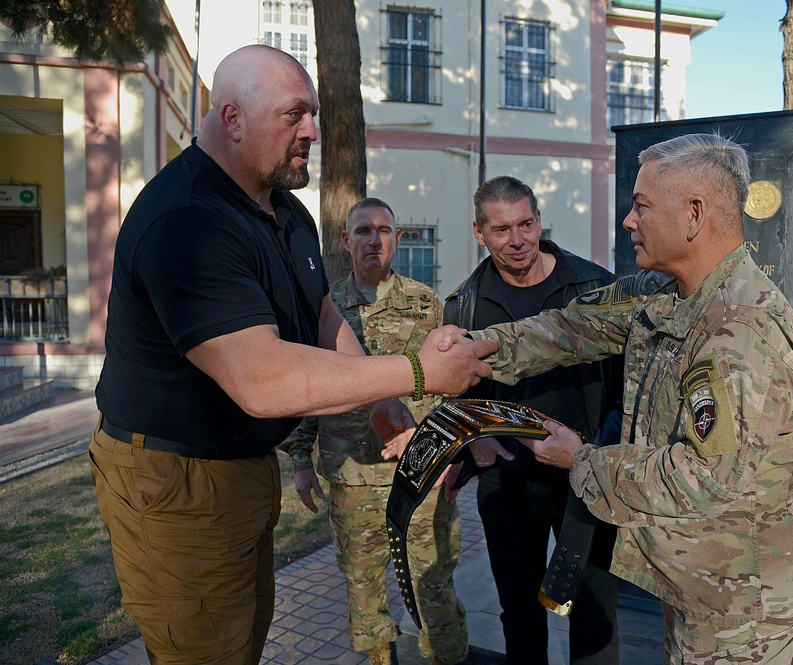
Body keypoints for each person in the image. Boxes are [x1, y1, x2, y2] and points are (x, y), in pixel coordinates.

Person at [89, 45, 495, 665]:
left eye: (314, 114)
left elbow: (323, 316)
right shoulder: (187, 219)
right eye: (295, 115)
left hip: (240, 470)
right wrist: (417, 372)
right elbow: (262, 378)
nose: (313, 131)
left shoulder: (284, 211)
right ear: (232, 119)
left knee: (242, 644)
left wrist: (384, 400)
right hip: (175, 481)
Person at [454, 134, 793, 663]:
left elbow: (701, 476)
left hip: (745, 609)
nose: (628, 220)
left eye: (641, 206)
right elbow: (572, 327)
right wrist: (475, 349)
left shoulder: (741, 331)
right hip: (699, 581)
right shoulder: (668, 295)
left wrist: (579, 459)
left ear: (694, 215)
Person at [443, 175, 622, 664]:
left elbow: (626, 388)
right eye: (501, 230)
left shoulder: (594, 287)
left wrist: (604, 456)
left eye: (526, 224)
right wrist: (475, 444)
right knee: (518, 611)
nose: (517, 240)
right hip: (508, 485)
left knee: (593, 611)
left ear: (540, 220)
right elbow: (456, 392)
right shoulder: (464, 304)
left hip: (583, 478)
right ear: (479, 233)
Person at [282, 197, 467, 665]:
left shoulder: (426, 304)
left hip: (420, 478)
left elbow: (451, 391)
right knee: (364, 592)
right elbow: (308, 388)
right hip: (353, 481)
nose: (374, 240)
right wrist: (301, 462)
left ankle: (445, 658)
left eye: (384, 230)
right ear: (346, 241)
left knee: (433, 586)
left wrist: (451, 456)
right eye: (363, 231)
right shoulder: (326, 308)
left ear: (397, 240)